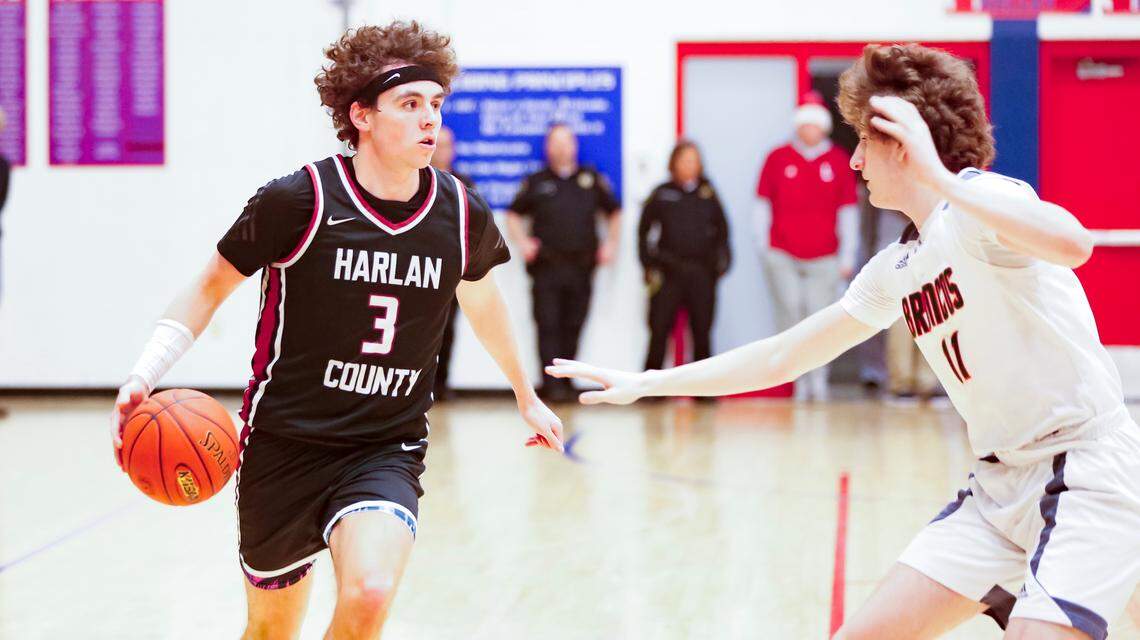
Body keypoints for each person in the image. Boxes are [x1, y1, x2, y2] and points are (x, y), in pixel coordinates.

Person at [549, 44, 1138, 640]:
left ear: (903, 143)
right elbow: (783, 354)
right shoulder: (897, 265)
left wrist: (936, 175)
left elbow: (1073, 243)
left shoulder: (979, 205)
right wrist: (651, 381)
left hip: (1083, 471)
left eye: (863, 140)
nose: (854, 159)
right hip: (997, 488)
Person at [109, 22, 564, 640]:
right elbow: (210, 285)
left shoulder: (461, 212)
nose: (430, 119)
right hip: (283, 446)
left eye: (436, 104)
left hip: (384, 446)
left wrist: (524, 393)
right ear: (362, 115)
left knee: (370, 593)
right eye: (410, 104)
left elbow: (484, 304)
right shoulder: (300, 201)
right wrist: (146, 372)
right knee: (272, 631)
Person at [505, 123, 622, 402]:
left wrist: (611, 244)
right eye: (554, 142)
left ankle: (567, 382)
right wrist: (523, 242)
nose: (560, 148)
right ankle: (551, 385)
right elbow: (513, 214)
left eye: (565, 142)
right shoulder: (536, 181)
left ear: (574, 146)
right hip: (547, 267)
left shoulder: (590, 179)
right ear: (548, 147)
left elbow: (614, 212)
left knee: (574, 324)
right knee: (547, 324)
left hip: (582, 266)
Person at [755, 91, 859, 401]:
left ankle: (819, 380)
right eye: (804, 125)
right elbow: (762, 205)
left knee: (819, 319)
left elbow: (848, 211)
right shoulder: (778, 158)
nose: (809, 130)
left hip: (825, 255)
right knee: (790, 314)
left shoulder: (839, 160)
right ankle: (797, 380)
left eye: (814, 125)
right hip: (783, 252)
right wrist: (763, 247)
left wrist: (847, 254)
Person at [638, 139, 730, 374]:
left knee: (702, 329)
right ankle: (651, 387)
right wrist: (649, 265)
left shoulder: (708, 193)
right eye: (684, 160)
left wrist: (721, 262)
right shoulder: (662, 193)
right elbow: (644, 230)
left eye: (694, 161)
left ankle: (703, 389)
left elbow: (723, 230)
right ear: (674, 163)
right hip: (669, 272)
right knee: (659, 328)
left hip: (701, 273)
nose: (689, 165)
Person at [428, 125, 474, 400]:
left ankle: (441, 384)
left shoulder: (463, 184)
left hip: (451, 271)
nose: (441, 151)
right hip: (418, 268)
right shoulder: (412, 180)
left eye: (446, 145)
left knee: (447, 328)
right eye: (437, 144)